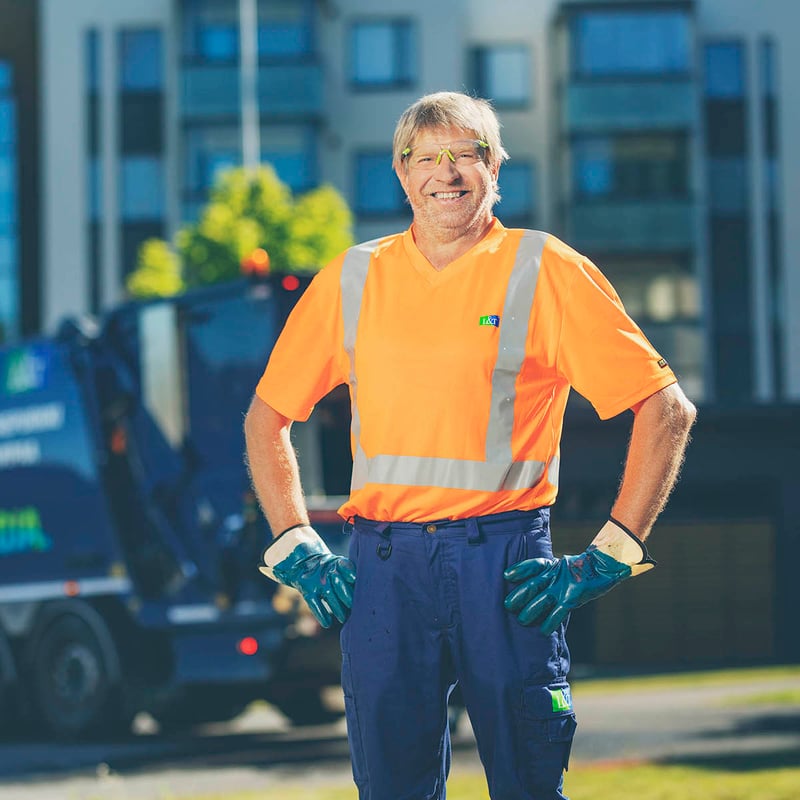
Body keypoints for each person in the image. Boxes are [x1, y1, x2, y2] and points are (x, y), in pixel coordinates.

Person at [244, 91, 697, 800]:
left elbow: (666, 409)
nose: (446, 173)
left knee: (527, 788)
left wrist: (611, 554)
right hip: (383, 572)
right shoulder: (353, 278)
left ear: (495, 168)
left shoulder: (543, 268)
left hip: (508, 568)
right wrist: (294, 544)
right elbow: (266, 417)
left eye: (467, 155)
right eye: (428, 157)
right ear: (400, 172)